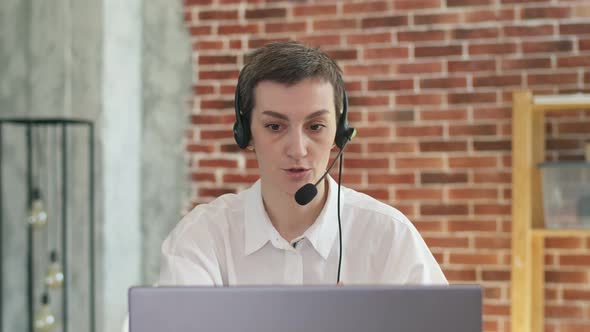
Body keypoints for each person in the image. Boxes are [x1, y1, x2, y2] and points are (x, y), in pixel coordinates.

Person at [158, 41, 447, 286]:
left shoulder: (388, 236)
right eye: (274, 126)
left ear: (340, 132)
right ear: (245, 133)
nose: (297, 150)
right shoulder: (202, 237)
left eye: (316, 126)